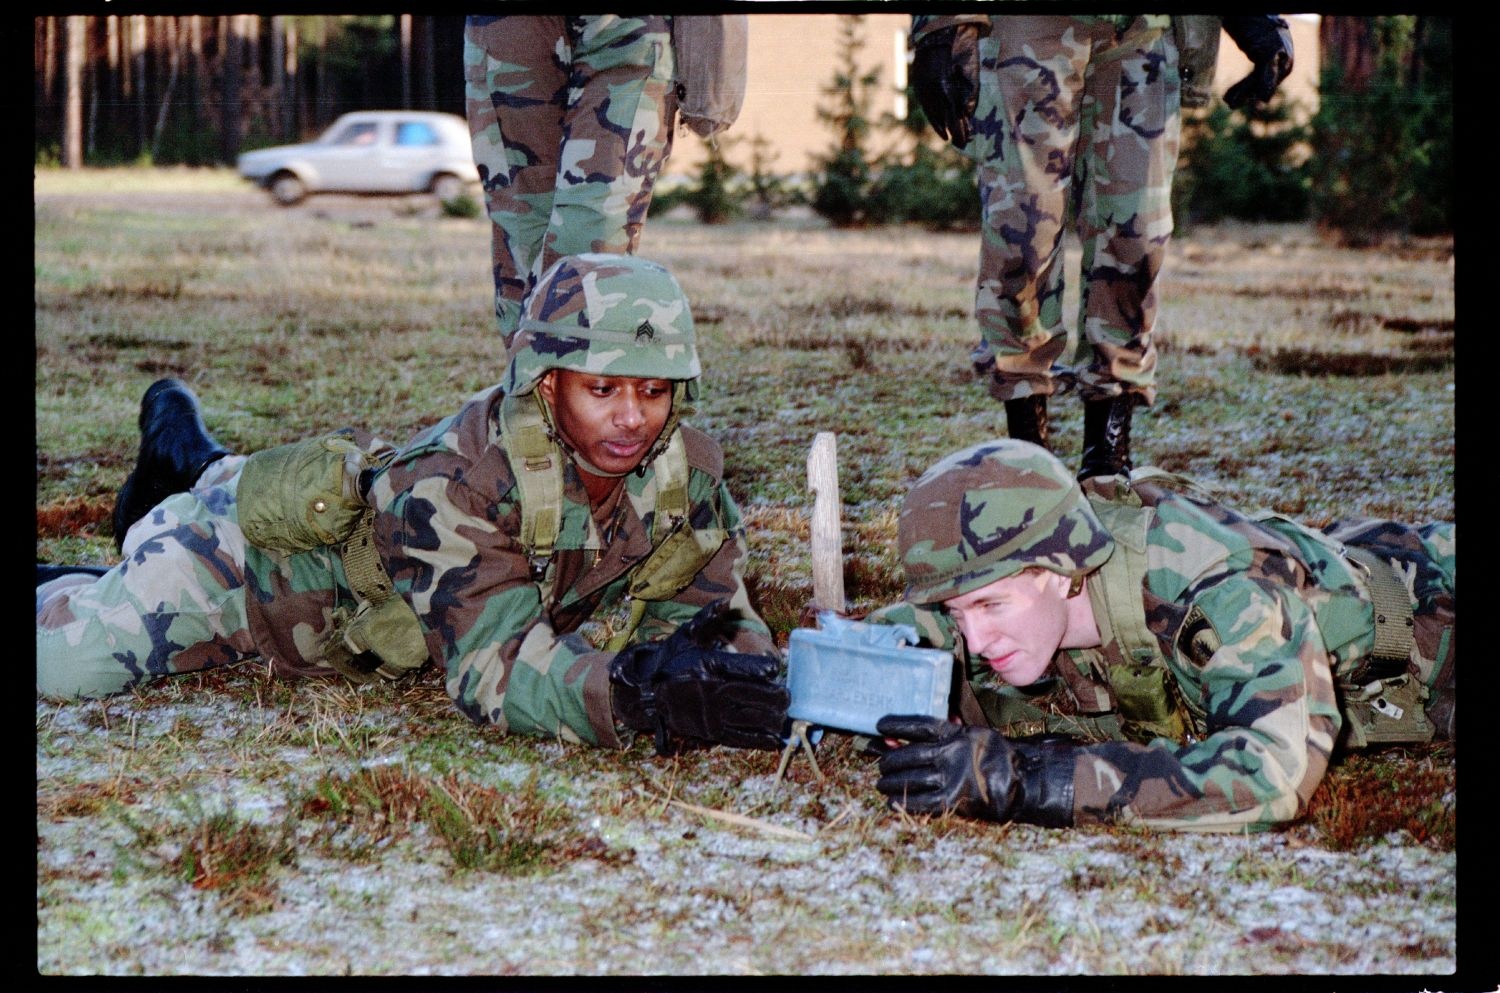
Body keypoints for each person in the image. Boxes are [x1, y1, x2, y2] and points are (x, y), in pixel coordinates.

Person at [37, 253, 789, 756]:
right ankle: (162, 479)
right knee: (63, 665)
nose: (632, 418)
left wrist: (743, 681)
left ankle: (185, 461)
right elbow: (491, 676)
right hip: (243, 575)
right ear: (547, 383)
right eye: (604, 389)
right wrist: (636, 698)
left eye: (654, 391)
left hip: (376, 574)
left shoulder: (684, 478)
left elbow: (719, 619)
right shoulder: (457, 479)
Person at [866, 438, 1454, 832]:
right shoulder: (1015, 579)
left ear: (1058, 571)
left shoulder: (1217, 595)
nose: (972, 635)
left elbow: (1270, 776)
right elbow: (896, 638)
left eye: (990, 605)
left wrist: (1029, 780)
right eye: (957, 609)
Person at [909, 15, 1295, 479]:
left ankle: (1108, 459)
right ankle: (1030, 459)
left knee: (1136, 236)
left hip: (1143, 31)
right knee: (1022, 237)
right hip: (1029, 28)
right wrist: (938, 27)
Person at [464, 16, 679, 346]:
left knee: (596, 235)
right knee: (521, 229)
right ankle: (529, 386)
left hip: (628, 26)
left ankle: (583, 383)